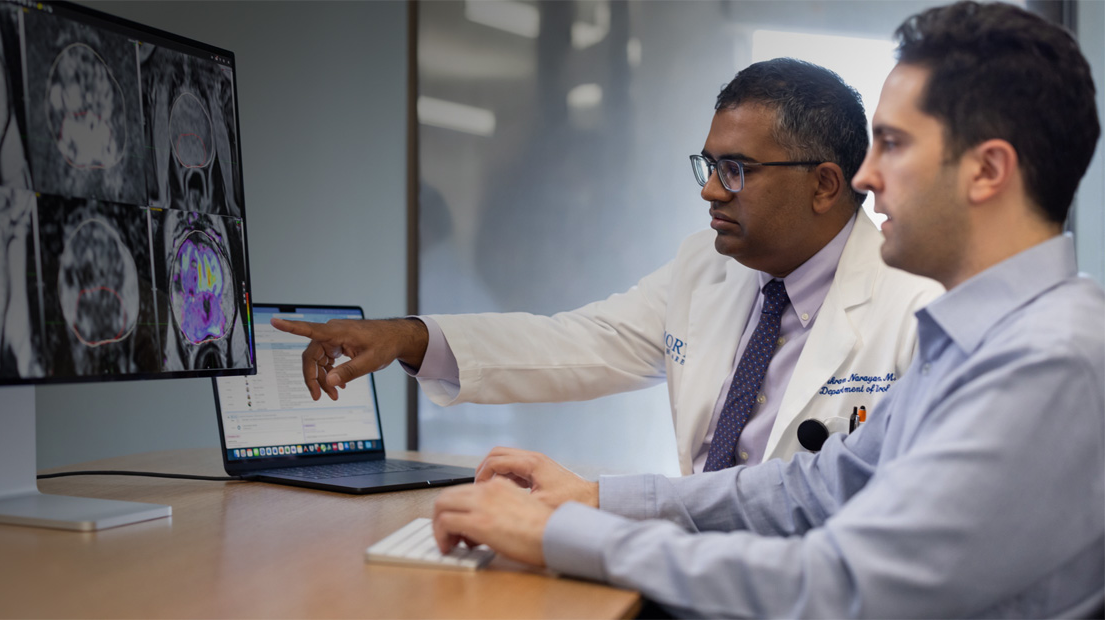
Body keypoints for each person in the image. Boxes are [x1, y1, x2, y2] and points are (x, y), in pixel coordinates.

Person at [429, 2, 1105, 617]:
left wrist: (566, 535)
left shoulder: (1049, 362)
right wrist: (598, 501)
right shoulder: (972, 338)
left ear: (987, 171)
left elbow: (839, 585)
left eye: (893, 145)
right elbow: (809, 489)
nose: (866, 177)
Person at [274, 59, 942, 474]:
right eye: (709, 167)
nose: (710, 191)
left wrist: (604, 508)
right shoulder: (705, 271)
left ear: (826, 185)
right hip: (695, 576)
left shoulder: (918, 308)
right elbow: (575, 344)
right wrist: (410, 338)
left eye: (735, 171)